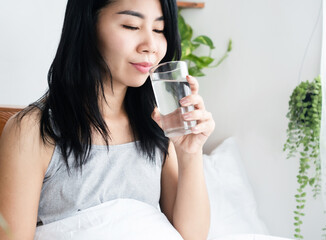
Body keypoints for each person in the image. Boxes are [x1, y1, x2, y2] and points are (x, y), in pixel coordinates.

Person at [0, 0, 215, 239]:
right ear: (87, 26)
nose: (150, 46)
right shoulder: (32, 131)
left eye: (159, 30)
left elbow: (191, 236)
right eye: (131, 26)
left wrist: (190, 153)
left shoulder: (156, 126)